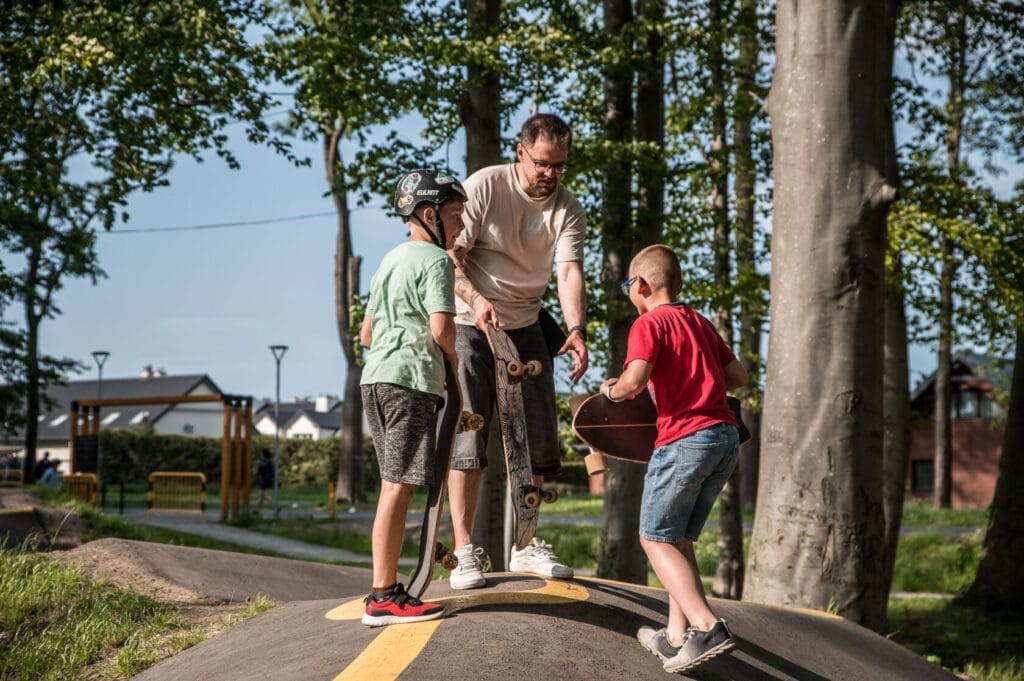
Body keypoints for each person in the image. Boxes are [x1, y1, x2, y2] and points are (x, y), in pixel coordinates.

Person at [445, 113, 589, 589]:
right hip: (470, 323)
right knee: (469, 435)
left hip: (526, 323)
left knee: (536, 441)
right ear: (521, 152)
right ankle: (464, 551)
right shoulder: (485, 186)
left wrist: (576, 329)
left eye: (560, 165)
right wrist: (476, 301)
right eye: (543, 163)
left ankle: (525, 545)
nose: (551, 174)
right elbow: (450, 254)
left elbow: (568, 272)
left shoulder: (568, 207)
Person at [599, 244, 748, 675]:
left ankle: (709, 627)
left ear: (640, 284)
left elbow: (634, 382)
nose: (629, 291)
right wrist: (696, 380)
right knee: (678, 540)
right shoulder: (700, 322)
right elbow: (738, 377)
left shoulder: (649, 323)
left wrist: (611, 390)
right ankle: (676, 637)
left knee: (654, 539)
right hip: (724, 439)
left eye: (627, 284)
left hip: (684, 440)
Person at [358, 169, 467, 626]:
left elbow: (366, 335)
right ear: (429, 214)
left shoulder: (389, 260)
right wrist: (453, 361)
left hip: (375, 379)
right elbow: (442, 328)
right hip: (410, 380)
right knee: (398, 487)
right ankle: (383, 595)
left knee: (392, 484)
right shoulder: (437, 261)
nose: (460, 226)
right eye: (455, 216)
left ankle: (384, 590)